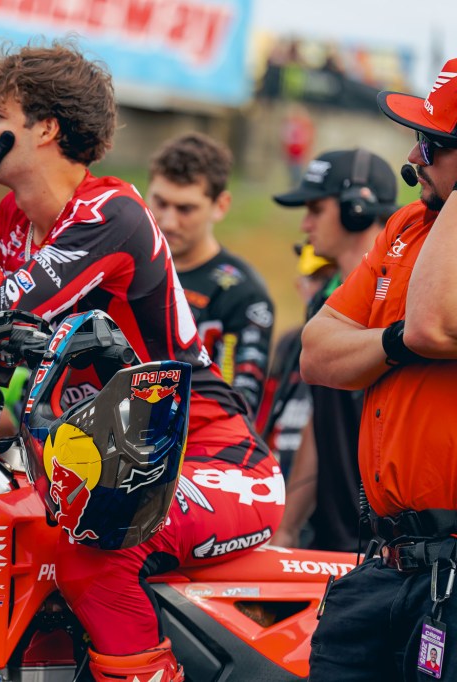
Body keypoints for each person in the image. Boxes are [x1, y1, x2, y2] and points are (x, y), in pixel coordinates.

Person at [0, 40, 283, 681]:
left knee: (96, 552)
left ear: (45, 128)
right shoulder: (15, 219)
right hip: (104, 460)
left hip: (206, 457)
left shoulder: (111, 214)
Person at [301, 58, 457, 681]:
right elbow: (318, 352)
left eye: (433, 144)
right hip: (385, 562)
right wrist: (389, 344)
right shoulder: (406, 223)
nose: (414, 159)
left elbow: (432, 325)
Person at [271, 148, 397, 553]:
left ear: (356, 210)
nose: (305, 224)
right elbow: (319, 420)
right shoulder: (326, 306)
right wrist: (286, 528)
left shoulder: (402, 297)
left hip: (392, 546)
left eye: (316, 209)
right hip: (333, 537)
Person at [146, 132, 275, 417]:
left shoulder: (244, 295)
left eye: (186, 209)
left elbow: (240, 404)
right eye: (160, 203)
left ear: (221, 206)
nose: (168, 221)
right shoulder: (124, 268)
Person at [256, 244, 335, 480]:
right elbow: (266, 407)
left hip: (322, 478)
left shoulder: (354, 340)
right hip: (277, 472)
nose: (325, 288)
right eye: (315, 278)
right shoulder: (289, 342)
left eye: (330, 278)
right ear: (300, 286)